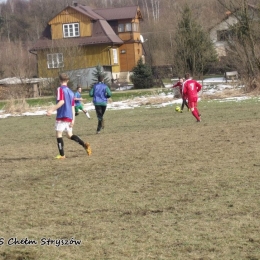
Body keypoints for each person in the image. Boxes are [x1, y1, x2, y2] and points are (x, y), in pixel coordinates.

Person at [46, 73, 92, 159]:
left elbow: (61, 102)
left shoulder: (60, 89)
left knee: (59, 134)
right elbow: (72, 107)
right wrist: (73, 120)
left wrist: (51, 110)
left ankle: (62, 154)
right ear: (67, 81)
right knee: (69, 135)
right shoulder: (71, 92)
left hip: (62, 115)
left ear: (59, 80)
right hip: (69, 116)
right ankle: (84, 145)